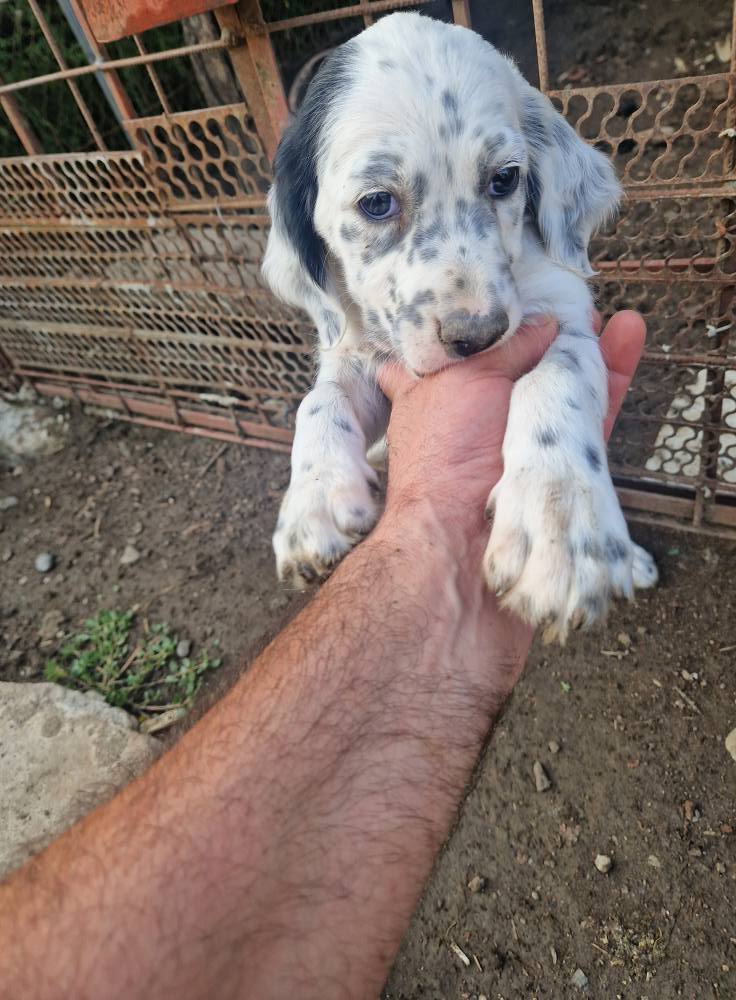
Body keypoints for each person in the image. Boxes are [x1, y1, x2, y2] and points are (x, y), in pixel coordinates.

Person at [0, 312, 646, 1000]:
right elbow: (348, 368)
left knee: (569, 363)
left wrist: (534, 465)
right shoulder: (348, 298)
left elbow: (565, 335)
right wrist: (343, 458)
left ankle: (580, 526)